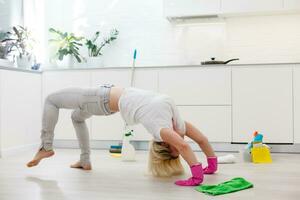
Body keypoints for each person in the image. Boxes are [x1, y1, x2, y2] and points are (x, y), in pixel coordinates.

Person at [27, 84, 217, 186]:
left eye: (175, 149)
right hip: (102, 101)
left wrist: (197, 177)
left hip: (98, 98)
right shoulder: (179, 126)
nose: (180, 143)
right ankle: (85, 161)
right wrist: (211, 164)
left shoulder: (161, 130)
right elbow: (201, 139)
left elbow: (184, 147)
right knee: (77, 118)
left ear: (165, 143)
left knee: (51, 100)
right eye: (179, 146)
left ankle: (46, 147)